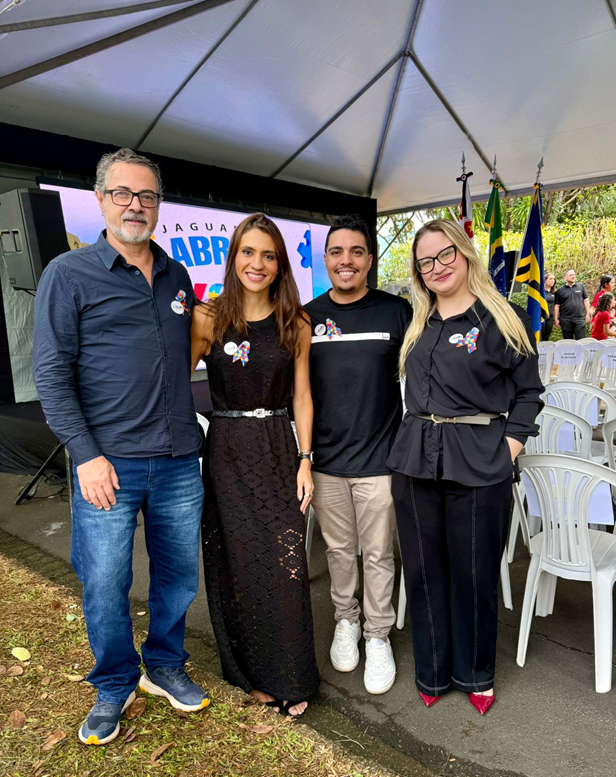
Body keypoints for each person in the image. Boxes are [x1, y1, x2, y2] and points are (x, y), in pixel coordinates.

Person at [33, 148, 209, 745]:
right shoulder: (68, 274)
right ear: (101, 199)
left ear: (160, 204)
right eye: (123, 194)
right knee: (105, 579)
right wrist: (85, 455)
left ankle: (162, 665)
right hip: (108, 463)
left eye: (147, 195)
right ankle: (114, 682)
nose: (136, 205)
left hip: (181, 458)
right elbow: (51, 377)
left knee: (179, 574)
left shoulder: (177, 275)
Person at [387, 219, 543, 715]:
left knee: (474, 573)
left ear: (466, 253)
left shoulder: (503, 319)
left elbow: (529, 394)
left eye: (445, 254)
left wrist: (510, 448)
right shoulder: (418, 323)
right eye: (426, 261)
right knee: (425, 571)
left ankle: (476, 673)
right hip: (415, 462)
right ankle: (432, 672)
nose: (437, 267)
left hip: (480, 462)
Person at [191, 213, 319, 718]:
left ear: (280, 263)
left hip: (278, 448)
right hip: (225, 450)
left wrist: (306, 460)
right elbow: (171, 381)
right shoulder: (208, 318)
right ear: (234, 258)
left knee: (288, 566)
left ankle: (291, 672)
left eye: (268, 255)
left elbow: (304, 396)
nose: (257, 264)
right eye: (249, 252)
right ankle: (251, 674)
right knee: (238, 566)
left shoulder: (296, 321)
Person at [304, 214, 412, 695]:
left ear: (369, 259)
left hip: (380, 462)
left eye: (356, 252)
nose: (345, 260)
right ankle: (346, 622)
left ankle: (378, 634)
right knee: (340, 552)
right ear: (325, 259)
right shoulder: (306, 316)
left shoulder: (397, 312)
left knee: (379, 555)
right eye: (336, 252)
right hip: (326, 463)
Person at [553, 269, 590, 340]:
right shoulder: (560, 290)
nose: (573, 277)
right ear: (565, 278)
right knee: (568, 341)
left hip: (579, 318)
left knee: (581, 340)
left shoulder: (581, 287)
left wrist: (588, 314)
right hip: (565, 319)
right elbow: (557, 306)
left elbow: (586, 300)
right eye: (570, 275)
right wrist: (556, 319)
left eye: (574, 275)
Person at [541, 272, 556, 341]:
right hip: (542, 317)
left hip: (550, 317)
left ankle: (545, 351)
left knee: (547, 336)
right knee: (541, 335)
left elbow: (554, 306)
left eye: (554, 279)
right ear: (545, 280)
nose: (552, 281)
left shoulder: (554, 293)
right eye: (550, 279)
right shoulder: (541, 292)